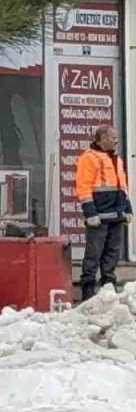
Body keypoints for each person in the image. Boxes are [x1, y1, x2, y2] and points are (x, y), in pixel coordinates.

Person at [76, 125, 131, 300]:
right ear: (102, 138)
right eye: (113, 137)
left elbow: (122, 186)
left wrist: (127, 208)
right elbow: (83, 186)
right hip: (99, 215)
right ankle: (88, 290)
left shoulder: (116, 159)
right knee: (94, 253)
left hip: (115, 214)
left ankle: (108, 287)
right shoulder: (89, 158)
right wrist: (90, 212)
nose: (116, 140)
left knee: (112, 253)